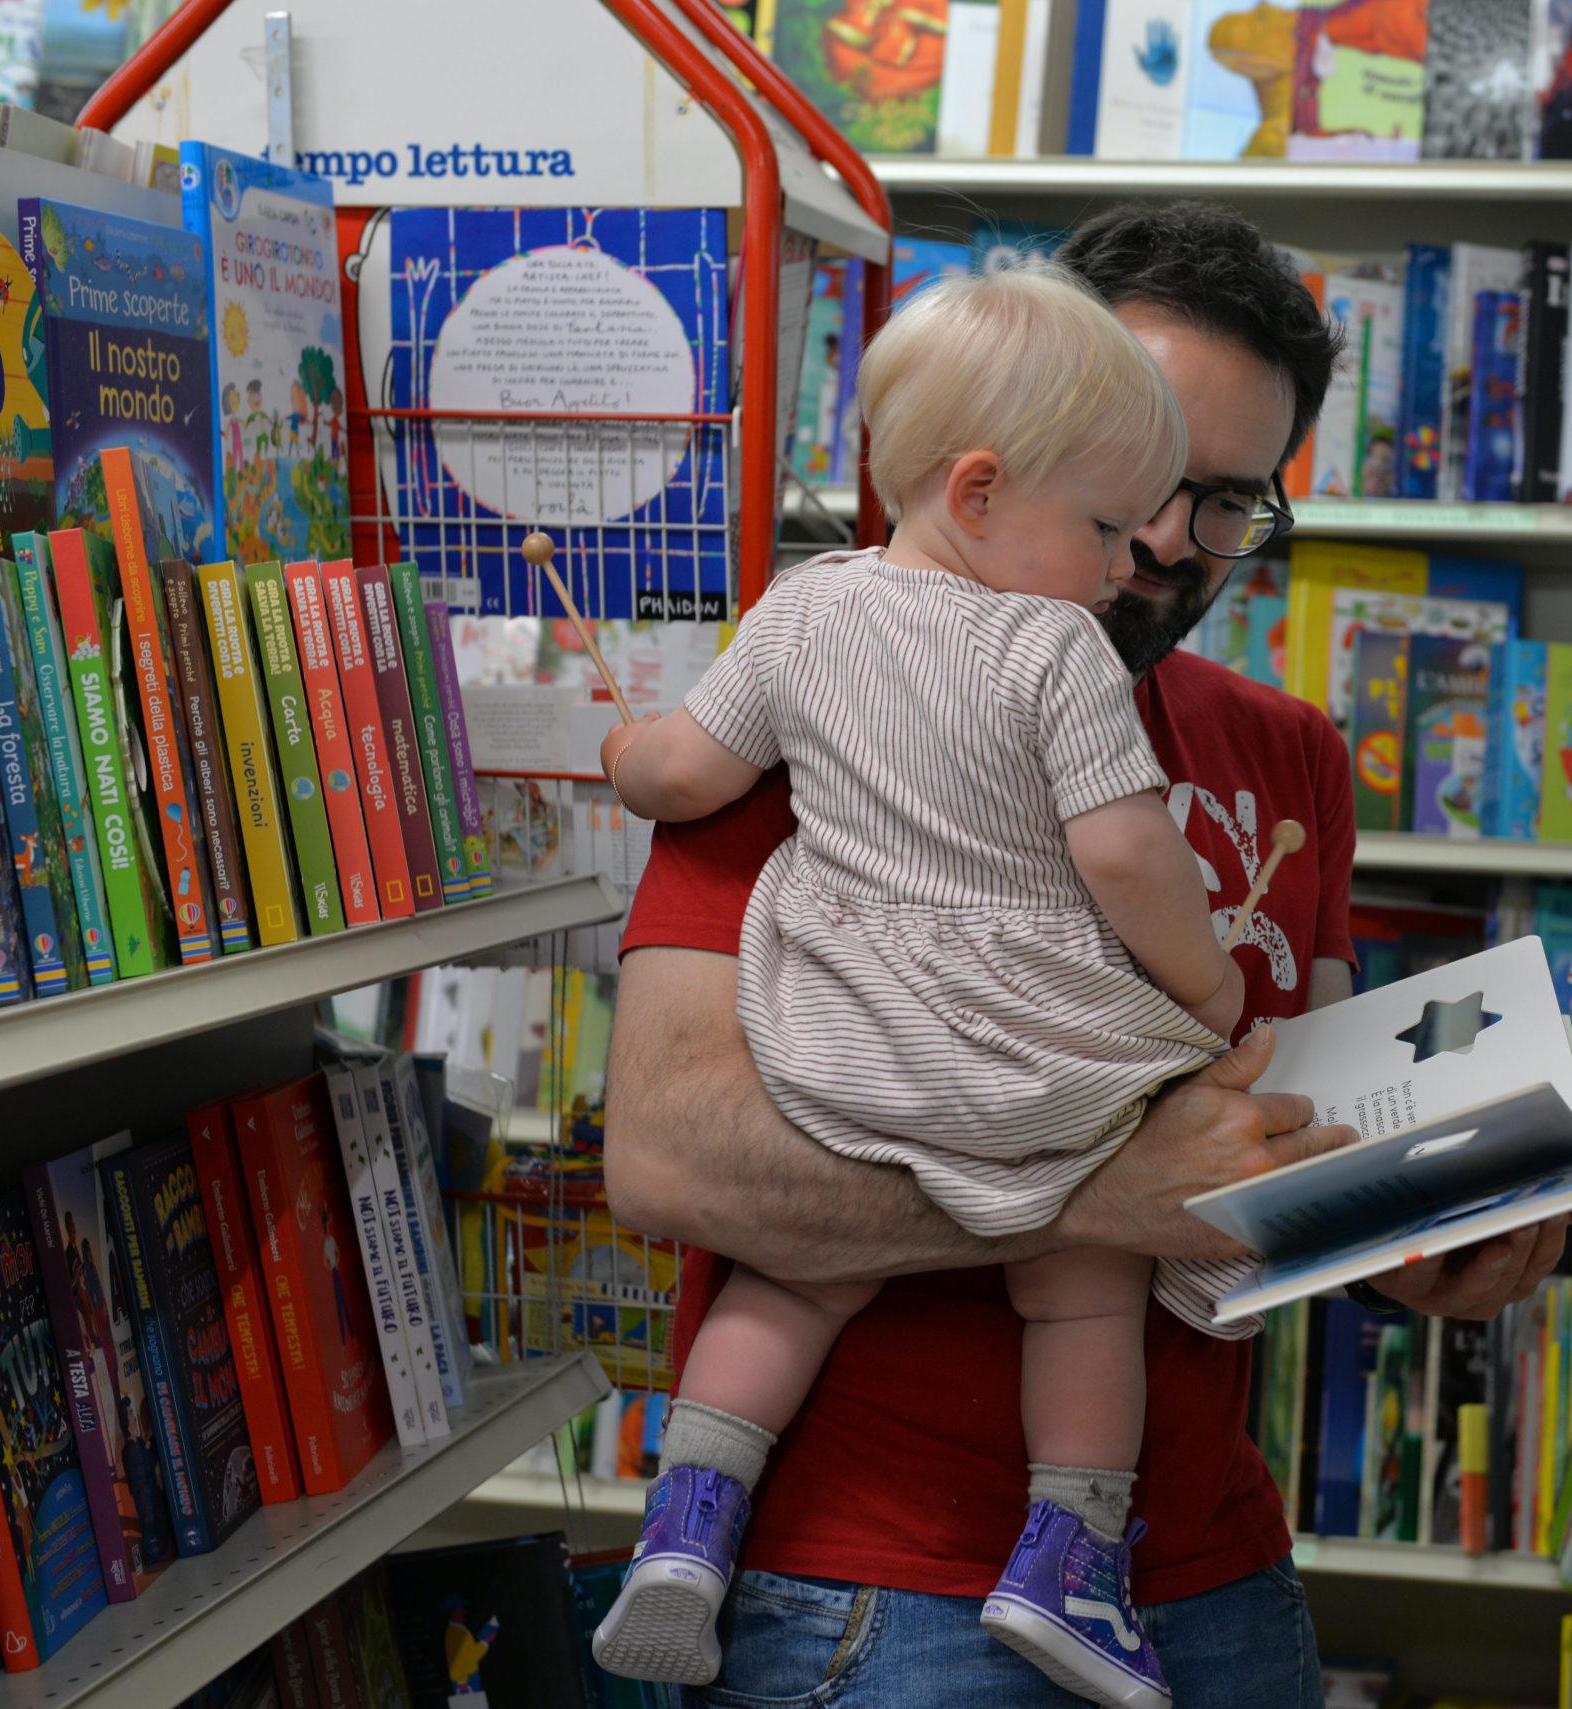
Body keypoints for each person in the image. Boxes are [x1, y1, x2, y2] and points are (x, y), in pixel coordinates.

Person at [605, 201, 1572, 1708]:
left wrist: (1414, 1232)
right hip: (879, 1599)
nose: (1155, 543)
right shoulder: (829, 692)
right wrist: (1102, 1189)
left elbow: (1285, 1130)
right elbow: (672, 1164)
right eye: (1126, 478)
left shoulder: (1293, 754)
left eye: (1217, 498)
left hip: (1214, 1577)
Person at [590, 266, 1253, 1707]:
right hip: (1018, 1032)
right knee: (1085, 1283)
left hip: (836, 1017)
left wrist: (617, 753)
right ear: (976, 489)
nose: (1123, 566)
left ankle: (687, 1521)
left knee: (797, 1270)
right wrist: (1203, 992)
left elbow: (685, 770)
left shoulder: (800, 608)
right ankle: (1067, 1557)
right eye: (1100, 527)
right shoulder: (1051, 644)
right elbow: (1129, 855)